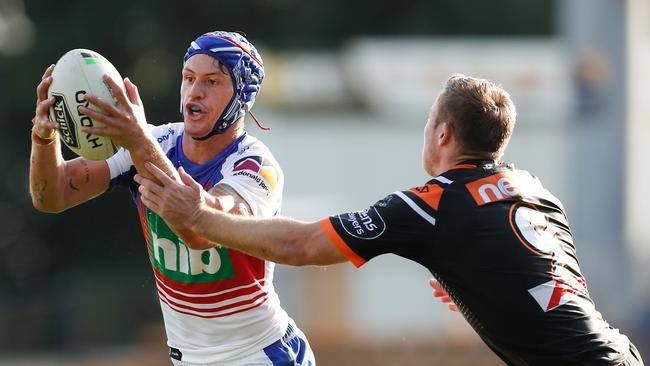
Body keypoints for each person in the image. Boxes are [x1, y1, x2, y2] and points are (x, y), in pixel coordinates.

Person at [136, 74, 644, 366]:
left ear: (443, 134)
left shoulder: (434, 203)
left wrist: (199, 214)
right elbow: (546, 276)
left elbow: (303, 246)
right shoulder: (533, 189)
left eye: (428, 123)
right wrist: (481, 280)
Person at [30, 31, 315, 365]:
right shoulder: (156, 141)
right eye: (189, 78)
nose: (195, 92)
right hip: (189, 358)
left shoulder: (256, 165)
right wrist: (44, 137)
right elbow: (52, 196)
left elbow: (200, 230)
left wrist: (137, 139)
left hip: (259, 355)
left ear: (242, 94)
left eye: (212, 81)